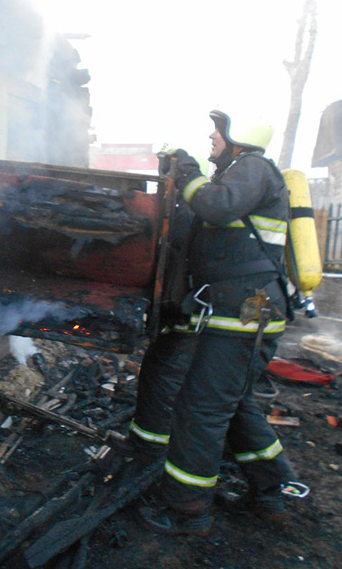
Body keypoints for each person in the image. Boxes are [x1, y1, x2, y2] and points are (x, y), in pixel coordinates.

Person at [122, 108, 297, 535]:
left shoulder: (252, 168)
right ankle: (270, 491)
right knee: (230, 404)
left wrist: (188, 174)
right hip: (236, 312)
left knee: (200, 409)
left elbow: (218, 207)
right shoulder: (238, 174)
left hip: (244, 313)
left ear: (241, 136)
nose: (212, 137)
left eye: (218, 131)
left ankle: (187, 510)